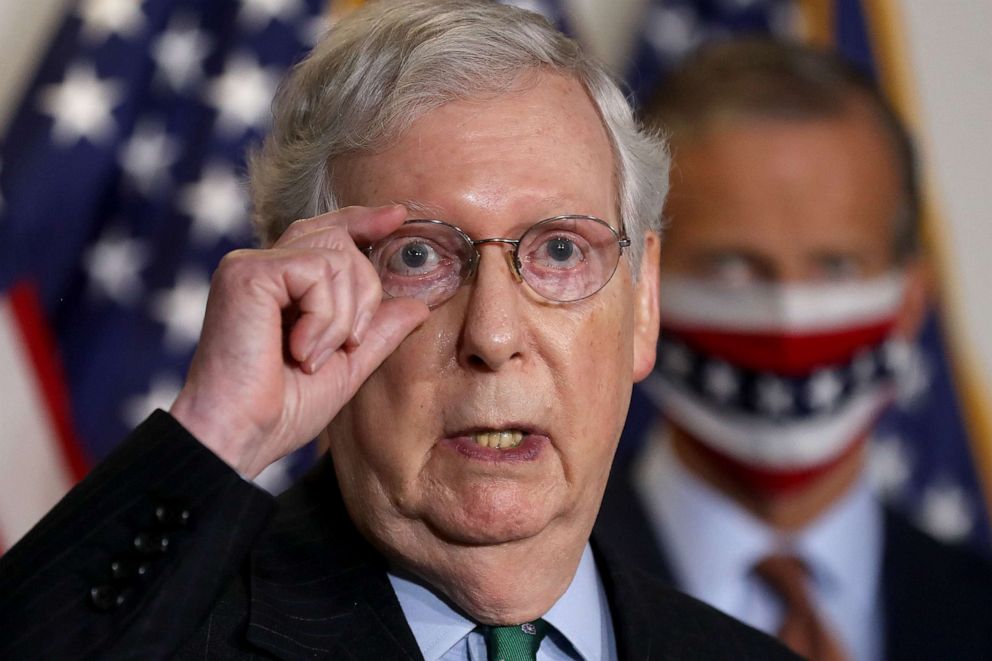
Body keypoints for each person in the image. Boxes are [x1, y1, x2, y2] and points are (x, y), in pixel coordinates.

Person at [0, 2, 798, 659]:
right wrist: (216, 433)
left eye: (559, 249)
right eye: (419, 255)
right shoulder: (175, 641)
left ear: (644, 301)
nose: (492, 334)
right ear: (309, 295)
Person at [595, 38, 992, 661]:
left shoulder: (977, 612)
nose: (788, 317)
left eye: (835, 268)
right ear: (641, 286)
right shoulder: (537, 600)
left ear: (911, 300)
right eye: (731, 268)